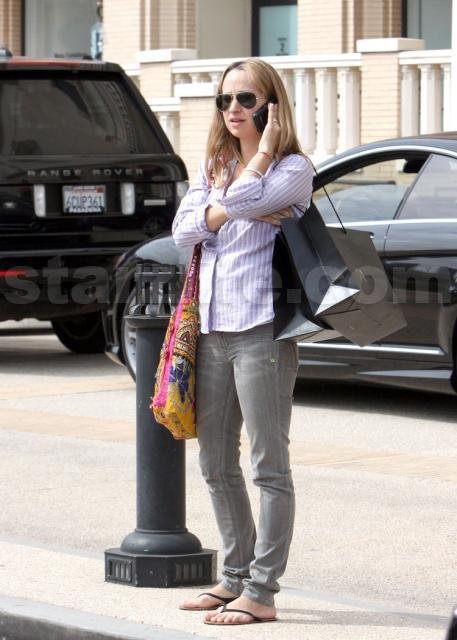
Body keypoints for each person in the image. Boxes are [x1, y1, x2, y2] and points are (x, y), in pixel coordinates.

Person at [172, 58, 313, 626]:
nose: (233, 109)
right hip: (212, 330)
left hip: (262, 331)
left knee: (268, 466)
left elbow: (242, 202)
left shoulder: (294, 168)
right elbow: (182, 232)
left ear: (271, 105)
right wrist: (226, 204)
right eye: (225, 99)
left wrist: (239, 184)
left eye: (246, 99)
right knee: (214, 463)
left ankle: (262, 590)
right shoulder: (213, 165)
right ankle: (233, 576)